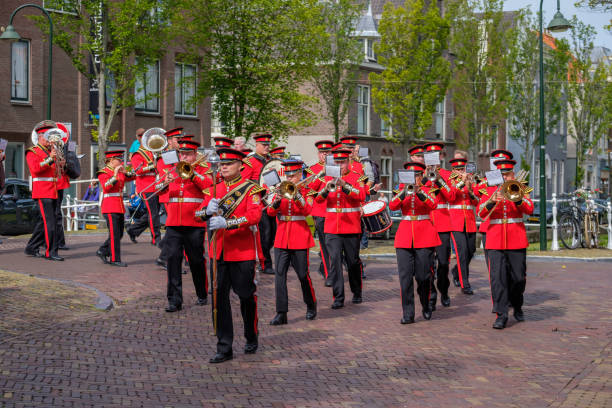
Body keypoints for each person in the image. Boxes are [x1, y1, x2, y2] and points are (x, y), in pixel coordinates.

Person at [204, 147, 265, 363]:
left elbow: (255, 215)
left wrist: (227, 223)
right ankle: (224, 346)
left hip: (242, 252)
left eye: (229, 163)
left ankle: (251, 334)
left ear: (241, 165)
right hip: (219, 251)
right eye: (222, 164)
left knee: (246, 296)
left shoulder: (251, 189)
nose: (224, 167)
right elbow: (199, 214)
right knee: (219, 300)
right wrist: (206, 211)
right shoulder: (214, 188)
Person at [477, 159, 533, 329]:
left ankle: (517, 304)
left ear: (513, 174)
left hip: (516, 237)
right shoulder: (489, 190)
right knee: (497, 278)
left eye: (507, 174)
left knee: (518, 278)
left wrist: (517, 198)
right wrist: (493, 200)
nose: (504, 177)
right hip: (495, 239)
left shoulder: (521, 187)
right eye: (501, 174)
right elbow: (480, 213)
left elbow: (529, 209)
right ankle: (501, 314)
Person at [160, 139, 212, 312]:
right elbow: (160, 191)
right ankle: (174, 300)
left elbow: (209, 186)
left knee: (196, 260)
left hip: (194, 222)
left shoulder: (204, 170)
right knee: (173, 259)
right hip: (173, 222)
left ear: (195, 155)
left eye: (188, 154)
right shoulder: (172, 170)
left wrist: (192, 174)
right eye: (182, 153)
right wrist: (163, 182)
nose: (184, 156)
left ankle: (202, 293)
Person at [315, 147, 366, 309]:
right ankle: (338, 297)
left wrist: (345, 185)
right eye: (337, 163)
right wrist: (325, 187)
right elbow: (317, 201)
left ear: (348, 162)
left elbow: (361, 195)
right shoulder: (326, 178)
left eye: (342, 162)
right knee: (335, 261)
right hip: (331, 226)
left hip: (351, 226)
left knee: (352, 262)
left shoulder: (356, 177)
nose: (340, 165)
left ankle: (356, 291)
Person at [267, 160, 317, 325]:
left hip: (300, 236)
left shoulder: (307, 191)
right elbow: (270, 212)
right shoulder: (280, 190)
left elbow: (308, 211)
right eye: (287, 175)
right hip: (282, 237)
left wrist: (297, 195)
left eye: (293, 176)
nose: (289, 178)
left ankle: (311, 304)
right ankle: (281, 313)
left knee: (303, 275)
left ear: (300, 175)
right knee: (279, 276)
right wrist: (276, 200)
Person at [390, 162, 439, 324]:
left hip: (424, 234)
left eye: (417, 175)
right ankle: (408, 313)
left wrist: (419, 193)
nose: (414, 178)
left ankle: (426, 304)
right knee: (405, 278)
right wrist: (405, 192)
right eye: (411, 175)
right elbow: (393, 205)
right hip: (404, 236)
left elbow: (433, 204)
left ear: (421, 176)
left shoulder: (428, 189)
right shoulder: (400, 189)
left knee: (423, 276)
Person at [421, 142, 456, 310]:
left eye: (436, 157)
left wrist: (440, 180)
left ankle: (444, 290)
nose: (433, 161)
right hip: (426, 223)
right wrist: (426, 178)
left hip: (442, 222)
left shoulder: (447, 175)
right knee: (427, 263)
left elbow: (451, 197)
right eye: (430, 157)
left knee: (443, 263)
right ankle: (431, 293)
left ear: (441, 157)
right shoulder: (419, 175)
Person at [24, 125, 62, 261]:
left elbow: (54, 172)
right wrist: (50, 158)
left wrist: (60, 163)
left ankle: (31, 247)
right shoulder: (32, 151)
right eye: (48, 136)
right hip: (42, 191)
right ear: (40, 137)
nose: (51, 139)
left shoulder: (49, 151)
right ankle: (50, 252)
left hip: (52, 190)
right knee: (50, 223)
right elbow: (35, 170)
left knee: (44, 222)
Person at [241, 134, 275, 275]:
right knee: (264, 233)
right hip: (259, 202)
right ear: (257, 145)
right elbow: (244, 181)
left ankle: (264, 257)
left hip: (272, 201)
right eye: (263, 145)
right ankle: (265, 262)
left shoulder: (272, 161)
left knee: (273, 233)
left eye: (268, 145)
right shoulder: (250, 161)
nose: (266, 147)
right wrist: (259, 185)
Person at [96, 150, 135, 266]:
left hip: (119, 206)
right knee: (114, 235)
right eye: (119, 160)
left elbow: (132, 177)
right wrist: (114, 175)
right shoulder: (103, 172)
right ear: (111, 160)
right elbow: (106, 187)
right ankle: (115, 259)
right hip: (109, 206)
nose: (121, 162)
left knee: (119, 234)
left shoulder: (119, 171)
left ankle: (102, 250)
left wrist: (129, 170)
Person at [448, 157, 478, 295]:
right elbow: (451, 197)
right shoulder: (450, 181)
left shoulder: (470, 180)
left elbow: (477, 202)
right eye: (458, 169)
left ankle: (456, 271)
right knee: (462, 252)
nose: (461, 172)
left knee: (471, 250)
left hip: (469, 220)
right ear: (453, 170)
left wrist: (471, 188)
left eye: (462, 169)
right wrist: (461, 182)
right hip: (455, 221)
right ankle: (465, 283)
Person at [155, 127, 185, 270]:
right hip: (169, 196)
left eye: (181, 139)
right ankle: (165, 257)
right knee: (176, 228)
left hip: (181, 194)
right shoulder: (164, 158)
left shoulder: (181, 155)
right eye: (177, 140)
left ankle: (165, 254)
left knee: (179, 227)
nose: (180, 142)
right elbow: (167, 176)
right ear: (170, 141)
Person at [127, 130, 162, 246]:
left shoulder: (153, 152)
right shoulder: (137, 154)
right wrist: (153, 165)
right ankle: (156, 238)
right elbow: (138, 171)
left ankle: (133, 229)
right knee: (154, 214)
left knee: (153, 213)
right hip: (146, 187)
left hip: (156, 185)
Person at [306, 140, 334, 285]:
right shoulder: (312, 170)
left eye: (327, 153)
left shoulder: (337, 167)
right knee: (324, 245)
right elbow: (309, 188)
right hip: (321, 212)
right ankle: (329, 275)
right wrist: (321, 174)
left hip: (336, 212)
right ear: (318, 154)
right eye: (322, 153)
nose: (325, 155)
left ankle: (331, 269)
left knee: (335, 246)